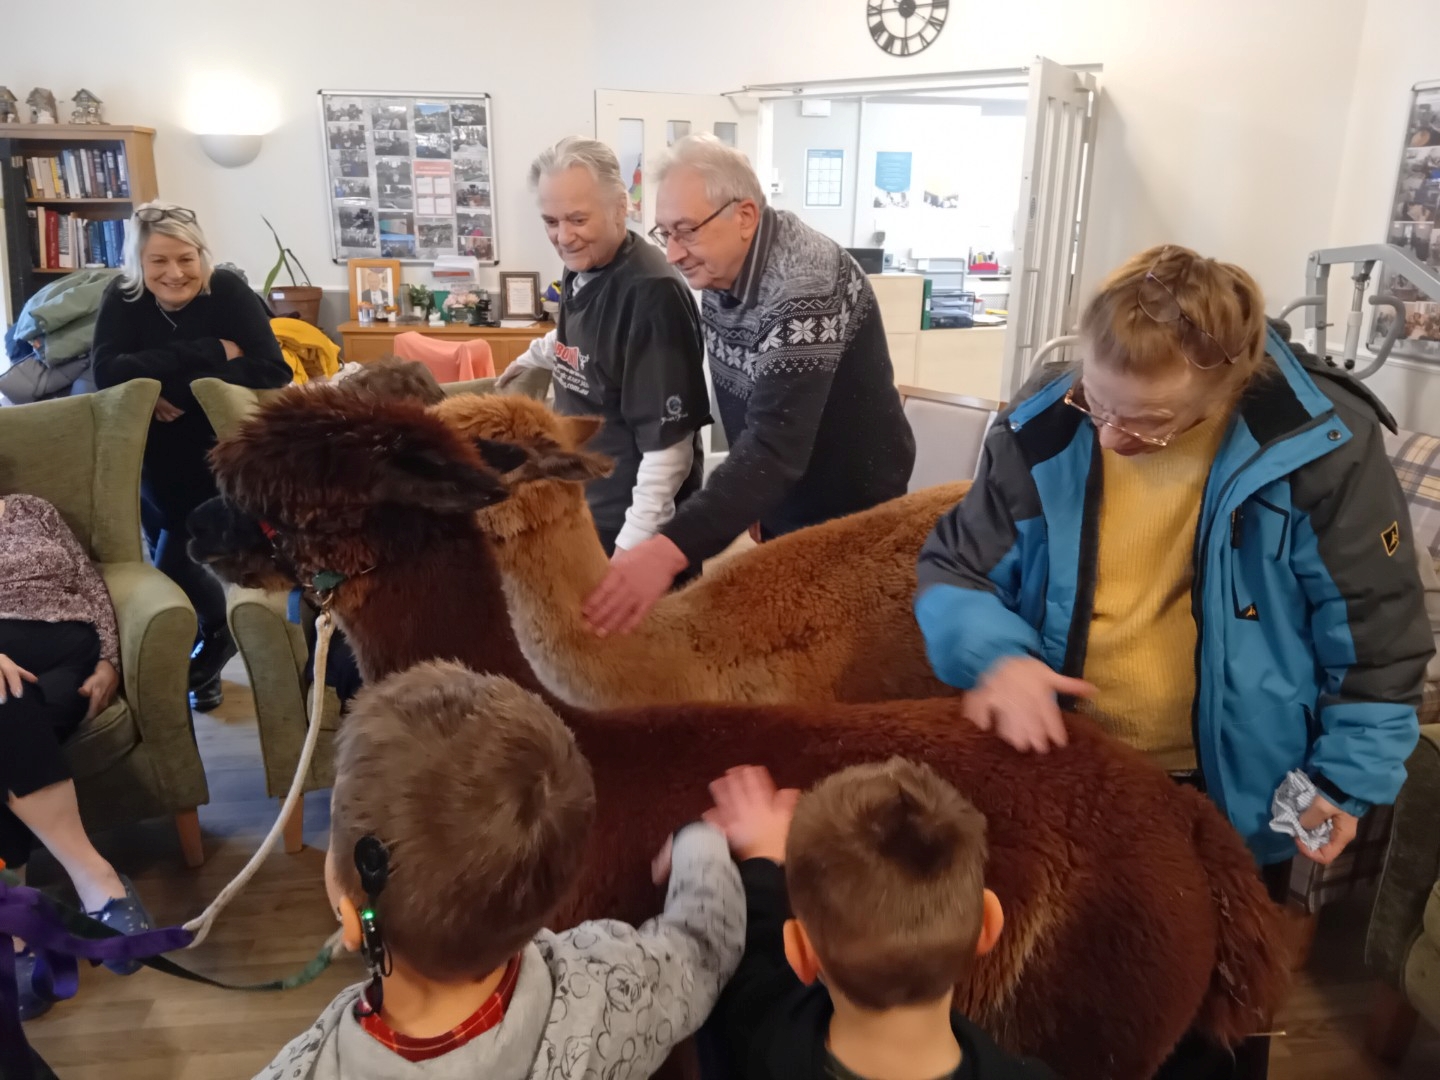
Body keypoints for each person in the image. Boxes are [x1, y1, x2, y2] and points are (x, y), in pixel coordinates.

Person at [915, 244, 1432, 1077]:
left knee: (1213, 1034)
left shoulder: (1322, 446)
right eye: (1100, 404)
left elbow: (1380, 637)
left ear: (1229, 389)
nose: (1114, 437)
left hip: (1237, 795)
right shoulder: (1047, 422)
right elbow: (953, 571)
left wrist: (1344, 783)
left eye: (1149, 423)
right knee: (1072, 1015)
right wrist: (994, 657)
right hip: (1074, 774)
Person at [255, 661, 744, 1079]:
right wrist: (700, 843)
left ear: (350, 919)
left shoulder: (304, 1069)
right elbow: (702, 949)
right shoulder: (612, 994)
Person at [584, 133, 916, 636]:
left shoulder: (804, 284)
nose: (673, 253)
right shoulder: (722, 265)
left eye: (686, 231)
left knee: (833, 649)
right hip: (789, 487)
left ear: (744, 216)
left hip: (850, 506)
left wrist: (667, 549)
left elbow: (776, 445)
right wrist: (759, 501)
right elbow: (756, 415)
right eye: (664, 232)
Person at [704, 760, 1055, 1080]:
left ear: (799, 951)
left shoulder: (761, 1026)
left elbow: (753, 947)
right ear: (989, 924)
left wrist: (762, 858)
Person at [92, 202, 291, 711]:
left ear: (202, 254)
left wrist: (167, 384)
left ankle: (214, 639)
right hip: (149, 449)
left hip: (217, 446)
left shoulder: (225, 289)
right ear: (138, 262)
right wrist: (208, 351)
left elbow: (272, 369)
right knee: (169, 544)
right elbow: (107, 372)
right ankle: (208, 660)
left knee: (173, 559)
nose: (174, 273)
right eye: (158, 261)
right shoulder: (123, 296)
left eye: (185, 258)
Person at [498, 137, 712, 563]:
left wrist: (630, 553)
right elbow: (586, 338)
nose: (564, 236)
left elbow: (669, 450)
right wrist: (532, 356)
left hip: (634, 521)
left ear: (620, 208)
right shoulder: (585, 264)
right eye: (551, 221)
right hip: (584, 504)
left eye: (577, 218)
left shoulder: (652, 294)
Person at [1, 491, 155, 1019]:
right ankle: (95, 878)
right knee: (7, 704)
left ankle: (12, 915)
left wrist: (110, 659)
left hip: (68, 652)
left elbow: (90, 582)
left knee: (11, 706)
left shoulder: (31, 509)